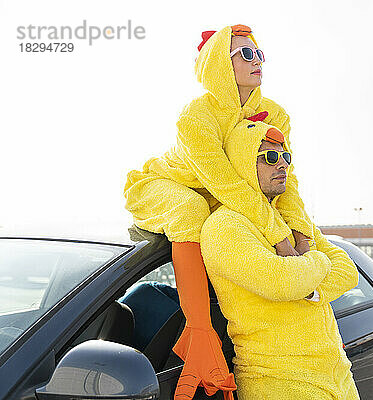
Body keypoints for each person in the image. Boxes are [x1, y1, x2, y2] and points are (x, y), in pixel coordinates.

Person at [122, 25, 314, 400]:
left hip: (221, 196)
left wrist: (300, 231)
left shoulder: (275, 114)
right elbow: (226, 182)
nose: (257, 61)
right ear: (217, 64)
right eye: (245, 54)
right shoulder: (195, 115)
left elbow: (284, 177)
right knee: (193, 210)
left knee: (233, 221)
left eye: (259, 54)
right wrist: (277, 233)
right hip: (167, 186)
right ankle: (199, 334)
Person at [200, 118, 360, 400]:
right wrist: (318, 261)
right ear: (241, 163)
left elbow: (348, 272)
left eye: (285, 156)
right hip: (278, 381)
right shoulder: (225, 226)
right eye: (270, 157)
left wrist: (306, 284)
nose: (283, 165)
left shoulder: (291, 219)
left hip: (337, 375)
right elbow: (280, 282)